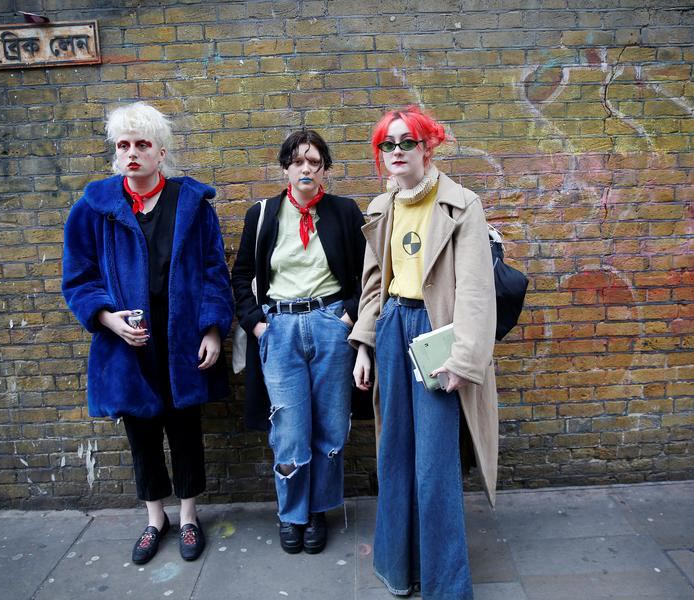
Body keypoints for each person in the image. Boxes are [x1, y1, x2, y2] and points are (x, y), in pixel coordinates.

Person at [62, 101, 233, 565]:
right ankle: (154, 519)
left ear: (160, 152)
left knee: (185, 428)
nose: (132, 153)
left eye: (142, 144)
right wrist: (106, 318)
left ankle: (190, 517)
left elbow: (214, 271)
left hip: (182, 338)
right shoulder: (94, 208)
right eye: (123, 145)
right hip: (127, 342)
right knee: (141, 431)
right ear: (116, 154)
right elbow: (78, 278)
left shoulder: (191, 204)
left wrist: (213, 330)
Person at [349, 106, 498, 599]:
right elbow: (374, 285)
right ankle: (399, 567)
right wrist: (364, 346)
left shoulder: (462, 205)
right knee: (394, 454)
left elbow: (477, 291)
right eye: (387, 145)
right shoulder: (381, 206)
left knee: (435, 463)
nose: (395, 152)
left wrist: (464, 358)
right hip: (393, 328)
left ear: (426, 147)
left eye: (405, 142)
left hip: (439, 334)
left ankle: (445, 585)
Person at [231, 130, 366, 555]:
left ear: (324, 168)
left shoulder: (344, 212)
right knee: (288, 429)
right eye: (298, 162)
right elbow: (240, 276)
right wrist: (256, 326)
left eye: (314, 162)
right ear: (285, 167)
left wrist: (349, 317)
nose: (306, 169)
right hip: (280, 329)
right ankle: (292, 513)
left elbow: (369, 276)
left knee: (329, 426)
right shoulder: (264, 213)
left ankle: (320, 511)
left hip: (330, 325)